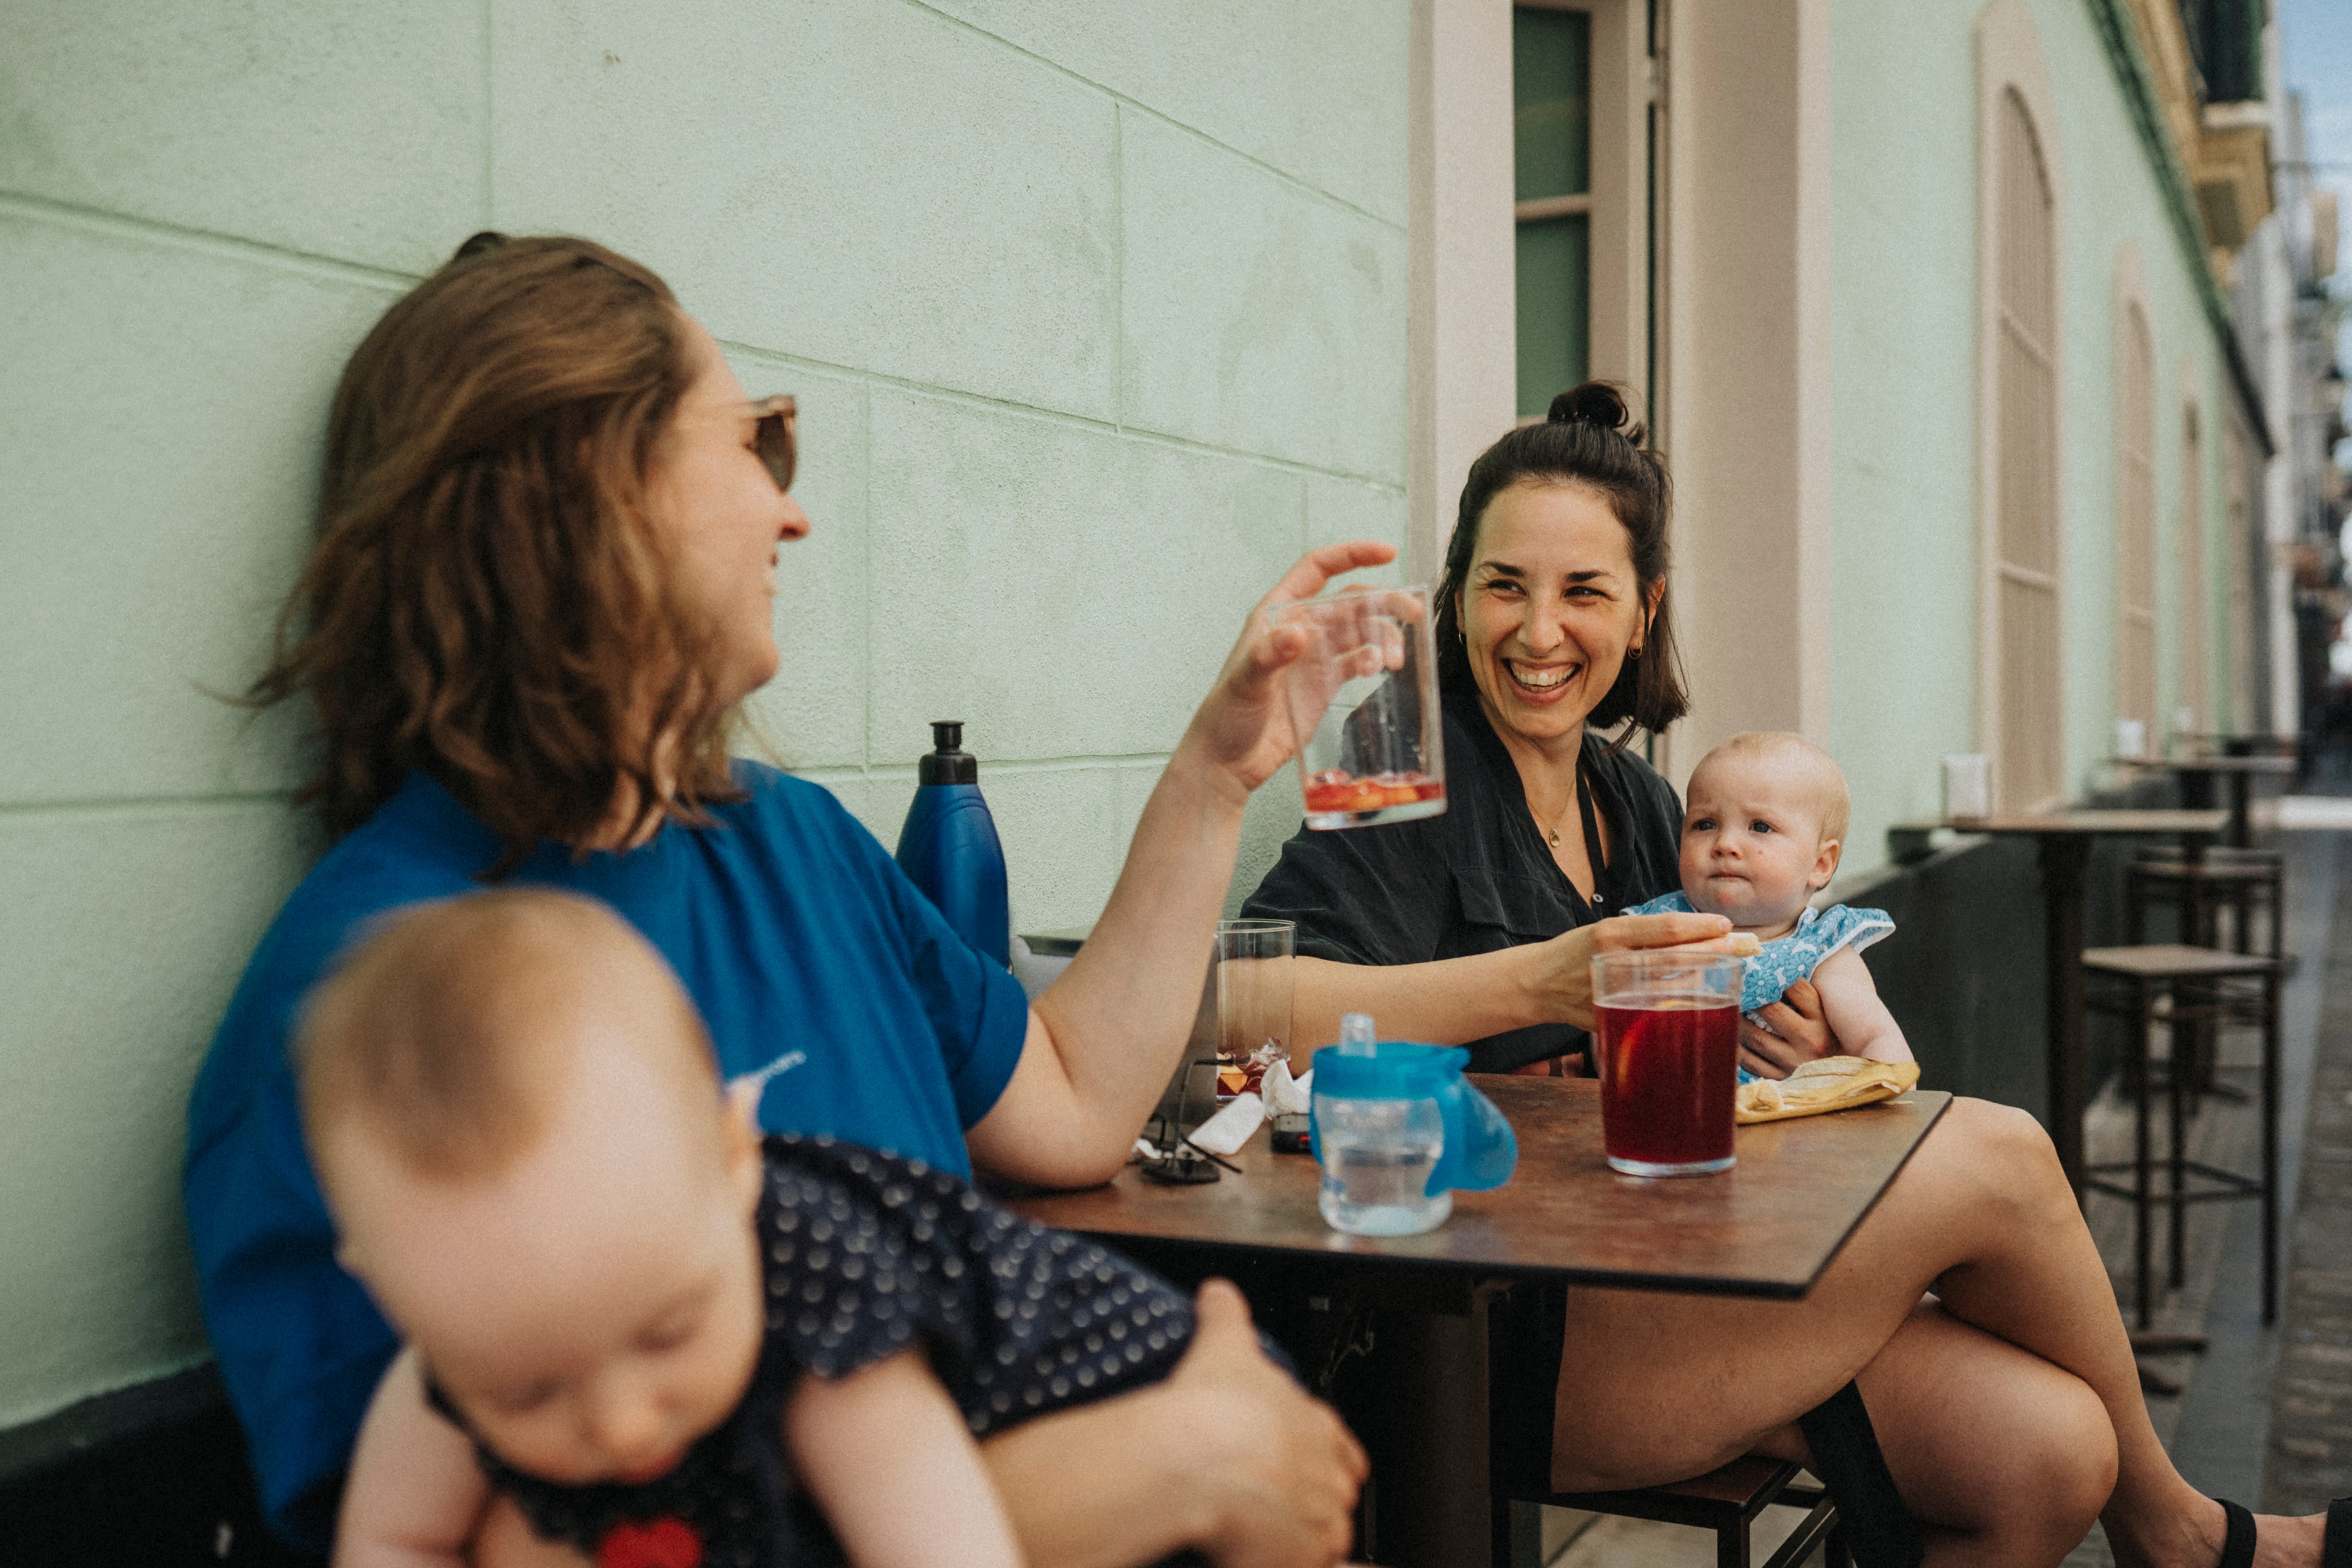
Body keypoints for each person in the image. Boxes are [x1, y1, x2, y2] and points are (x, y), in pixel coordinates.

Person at [182, 232, 1380, 1568]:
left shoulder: (784, 835)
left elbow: (1076, 1102)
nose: (792, 510)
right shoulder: (368, 1015)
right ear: (599, 487)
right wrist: (1171, 1465)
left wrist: (1216, 780)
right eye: (759, 440)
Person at [1244, 385, 2323, 1567]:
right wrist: (1542, 983)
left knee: (2050, 1455)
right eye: (1504, 585)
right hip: (1496, 1331)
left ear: (1644, 610)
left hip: (1681, 1267)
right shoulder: (1411, 773)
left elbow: (1731, 1026)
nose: (1538, 631)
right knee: (2000, 1153)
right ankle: (2176, 1534)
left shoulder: (1643, 804)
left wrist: (1797, 1048)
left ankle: (2159, 1518)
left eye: (1584, 591)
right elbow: (1255, 1007)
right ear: (1457, 599)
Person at [307, 889, 1226, 1568]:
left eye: (668, 1328)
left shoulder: (817, 1291)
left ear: (736, 1160)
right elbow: (396, 1538)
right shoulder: (473, 1330)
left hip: (1122, 1375)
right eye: (525, 1394)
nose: (623, 1424)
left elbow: (941, 1547)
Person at [1624, 730, 1909, 1072]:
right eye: (1705, 824)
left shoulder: (1821, 951)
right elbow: (1606, 1032)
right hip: (1673, 1113)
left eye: (1760, 826)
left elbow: (1877, 1039)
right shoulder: (1657, 929)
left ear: (1820, 865)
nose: (1725, 843)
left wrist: (1883, 1092)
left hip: (1791, 1121)